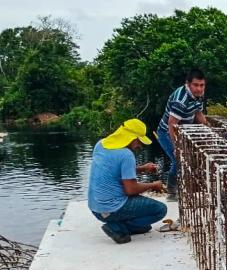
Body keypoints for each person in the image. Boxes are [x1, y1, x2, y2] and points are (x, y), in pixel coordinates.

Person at [87, 119, 167, 244]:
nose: (140, 146)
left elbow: (113, 169)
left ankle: (120, 224)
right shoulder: (126, 155)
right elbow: (131, 189)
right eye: (139, 141)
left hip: (96, 209)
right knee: (160, 210)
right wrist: (154, 185)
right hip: (113, 209)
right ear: (132, 138)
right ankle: (117, 227)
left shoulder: (101, 144)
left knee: (145, 227)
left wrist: (142, 168)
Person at [156, 69, 209, 201]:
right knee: (178, 160)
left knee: (189, 160)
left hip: (182, 131)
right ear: (188, 84)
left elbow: (198, 113)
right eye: (196, 85)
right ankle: (171, 193)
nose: (199, 88)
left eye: (202, 85)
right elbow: (171, 125)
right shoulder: (181, 100)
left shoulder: (199, 95)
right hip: (167, 132)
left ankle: (184, 189)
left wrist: (208, 128)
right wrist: (176, 147)